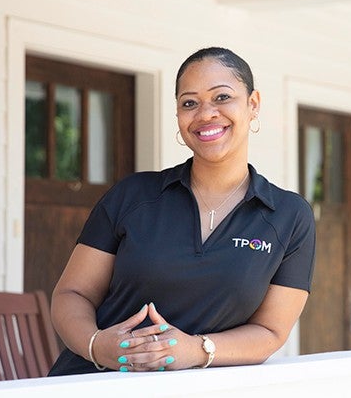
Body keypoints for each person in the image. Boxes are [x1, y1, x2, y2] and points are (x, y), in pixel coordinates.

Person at [48, 47, 315, 376]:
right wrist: (98, 345)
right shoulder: (132, 196)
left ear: (253, 104)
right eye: (189, 103)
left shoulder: (288, 216)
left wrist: (197, 349)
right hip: (91, 384)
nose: (206, 114)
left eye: (222, 97)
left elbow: (271, 332)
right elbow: (72, 293)